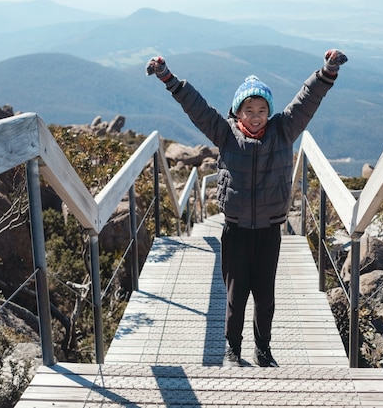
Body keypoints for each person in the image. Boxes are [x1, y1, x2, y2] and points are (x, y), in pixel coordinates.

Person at [146, 49, 348, 367]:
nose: (256, 115)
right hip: (236, 230)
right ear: (237, 112)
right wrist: (169, 78)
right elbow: (198, 109)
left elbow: (307, 101)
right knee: (235, 296)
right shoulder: (225, 133)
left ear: (270, 111)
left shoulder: (284, 130)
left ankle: (263, 349)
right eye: (249, 109)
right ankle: (233, 348)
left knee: (265, 297)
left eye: (262, 108)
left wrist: (326, 72)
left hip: (269, 230)